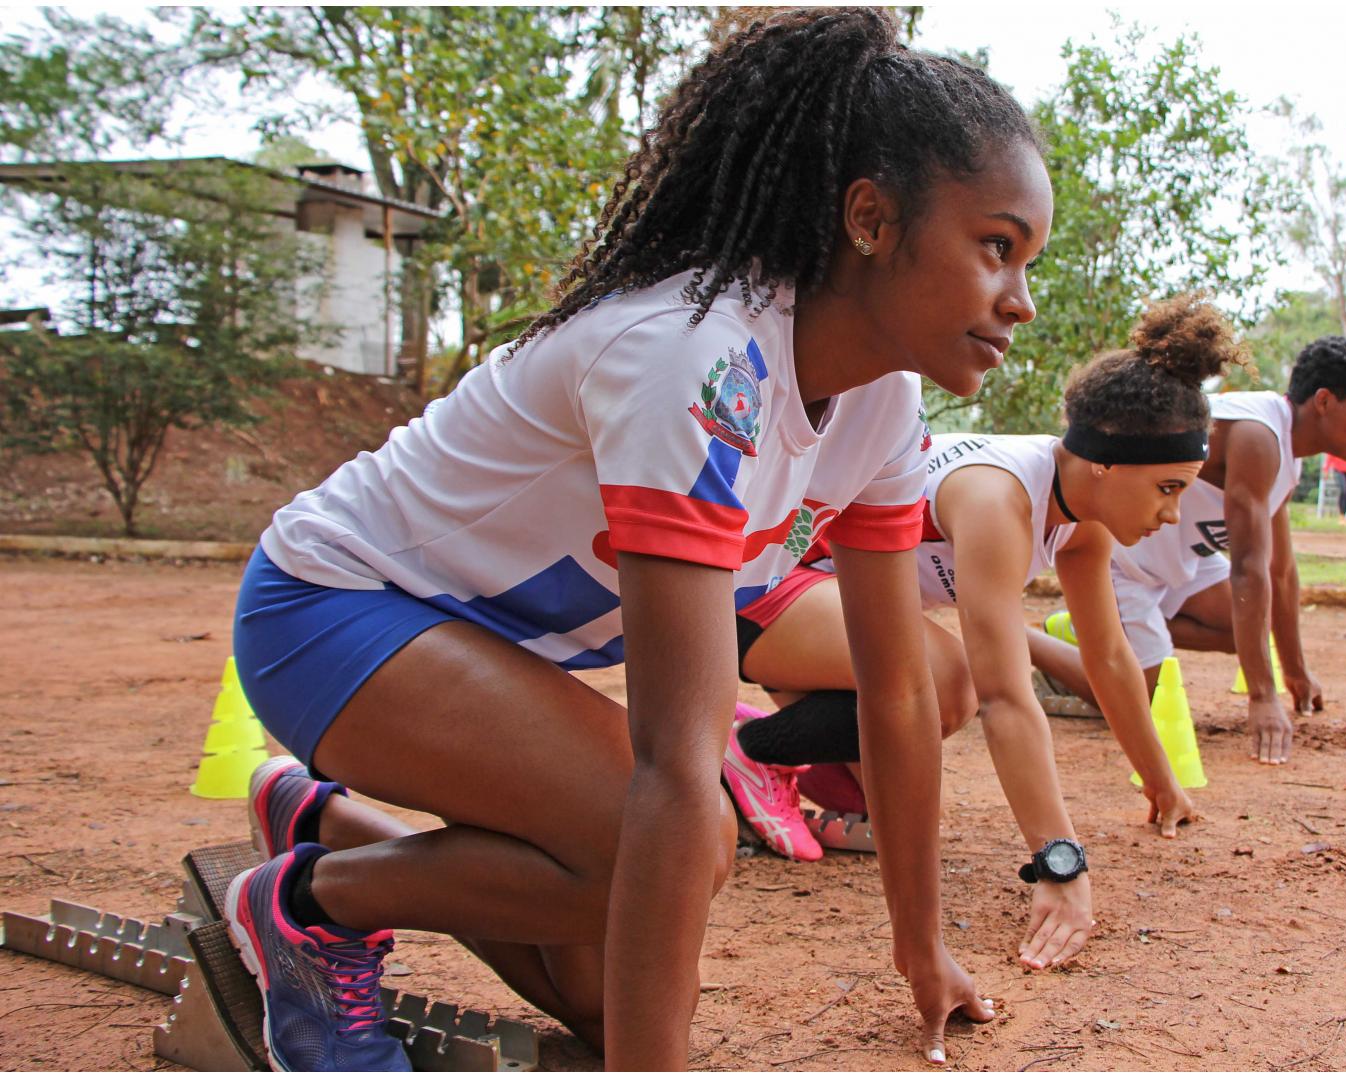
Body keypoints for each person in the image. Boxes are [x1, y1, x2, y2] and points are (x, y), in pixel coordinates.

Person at [224, 9, 1052, 1070]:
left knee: (612, 1005)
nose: (1018, 301)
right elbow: (675, 759)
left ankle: (330, 832)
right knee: (676, 847)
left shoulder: (884, 412)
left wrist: (920, 946)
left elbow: (893, 695)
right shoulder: (692, 363)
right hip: (331, 612)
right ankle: (306, 903)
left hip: (483, 660)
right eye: (996, 247)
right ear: (869, 218)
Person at [721, 293, 1247, 969]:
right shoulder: (1000, 499)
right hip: (754, 591)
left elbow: (1110, 657)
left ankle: (773, 754)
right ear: (1104, 464)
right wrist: (1060, 862)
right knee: (951, 681)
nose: (1173, 516)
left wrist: (1160, 780)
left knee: (885, 807)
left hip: (830, 619)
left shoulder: (1081, 520)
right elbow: (1004, 697)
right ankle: (753, 750)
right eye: (1168, 488)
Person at [1033, 336, 1346, 766]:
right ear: (1324, 401)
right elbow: (1248, 568)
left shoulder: (1289, 455)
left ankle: (1100, 629)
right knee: (1136, 694)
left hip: (1178, 565)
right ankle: (1033, 641)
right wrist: (1262, 697)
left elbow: (1281, 571)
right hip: (1121, 559)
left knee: (1241, 630)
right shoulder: (1256, 435)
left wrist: (1294, 670)